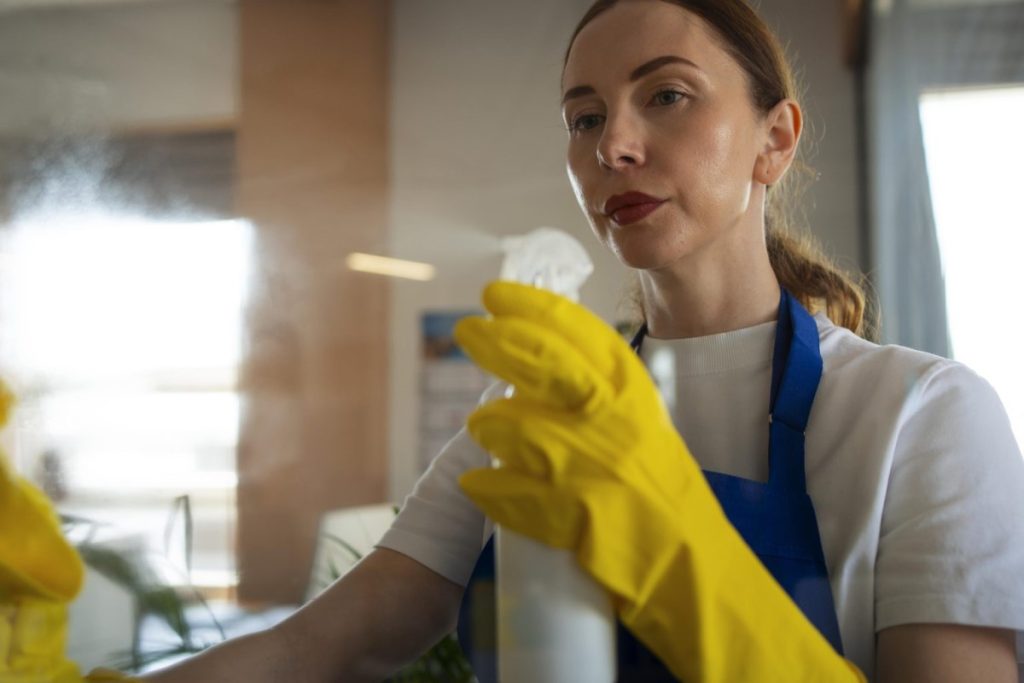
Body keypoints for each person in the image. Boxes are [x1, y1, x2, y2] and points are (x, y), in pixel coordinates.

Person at [142, 0, 1024, 681]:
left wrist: (685, 560)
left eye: (667, 95)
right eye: (585, 116)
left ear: (775, 139)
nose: (616, 146)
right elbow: (322, 646)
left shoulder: (925, 414)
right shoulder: (534, 412)